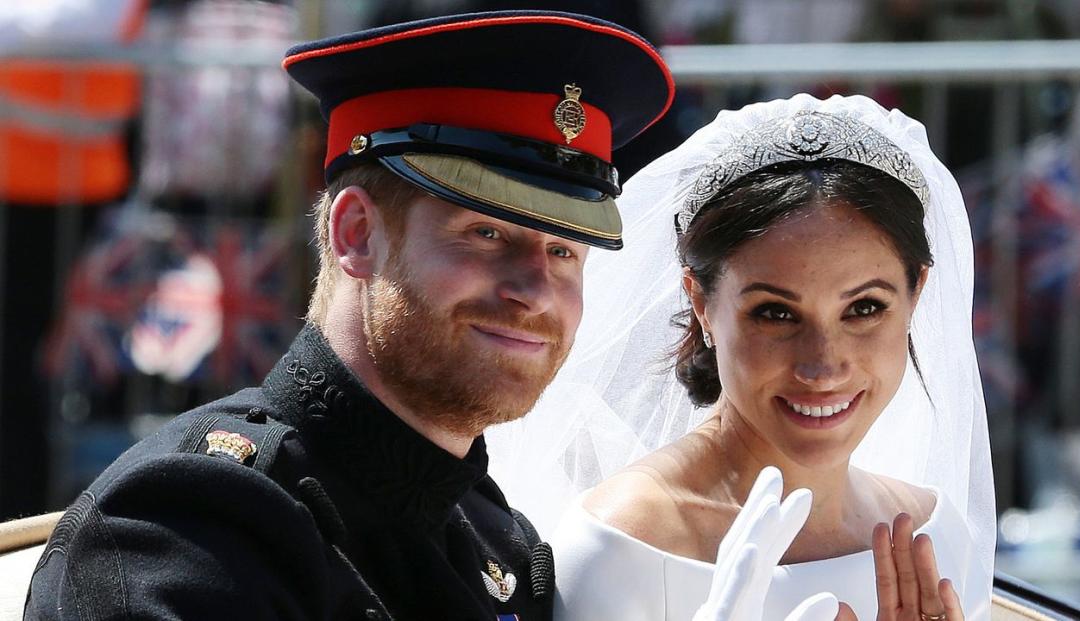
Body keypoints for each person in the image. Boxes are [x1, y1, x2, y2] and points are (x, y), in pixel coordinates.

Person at [24, 11, 674, 620]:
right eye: (487, 233)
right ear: (357, 233)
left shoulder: (500, 539)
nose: (536, 289)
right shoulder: (194, 526)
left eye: (564, 250)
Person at [487, 94, 995, 620]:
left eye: (864, 308)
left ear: (916, 296)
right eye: (775, 314)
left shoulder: (934, 537)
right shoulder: (622, 545)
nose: (822, 365)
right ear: (701, 303)